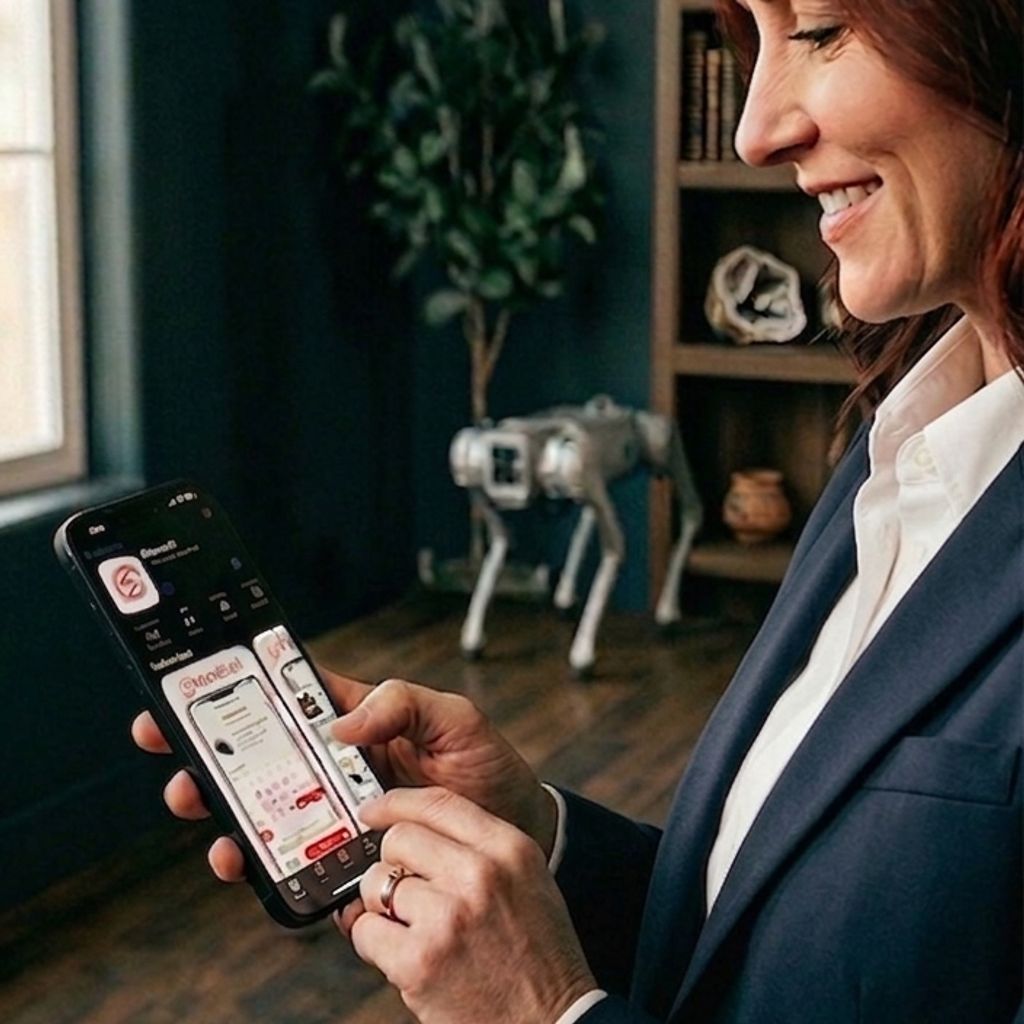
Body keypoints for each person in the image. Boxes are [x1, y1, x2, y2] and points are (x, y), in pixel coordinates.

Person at [133, 0, 1024, 1020]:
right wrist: (538, 835)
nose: (754, 128)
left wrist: (543, 1010)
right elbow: (770, 941)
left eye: (820, 31)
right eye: (756, 42)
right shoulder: (900, 448)